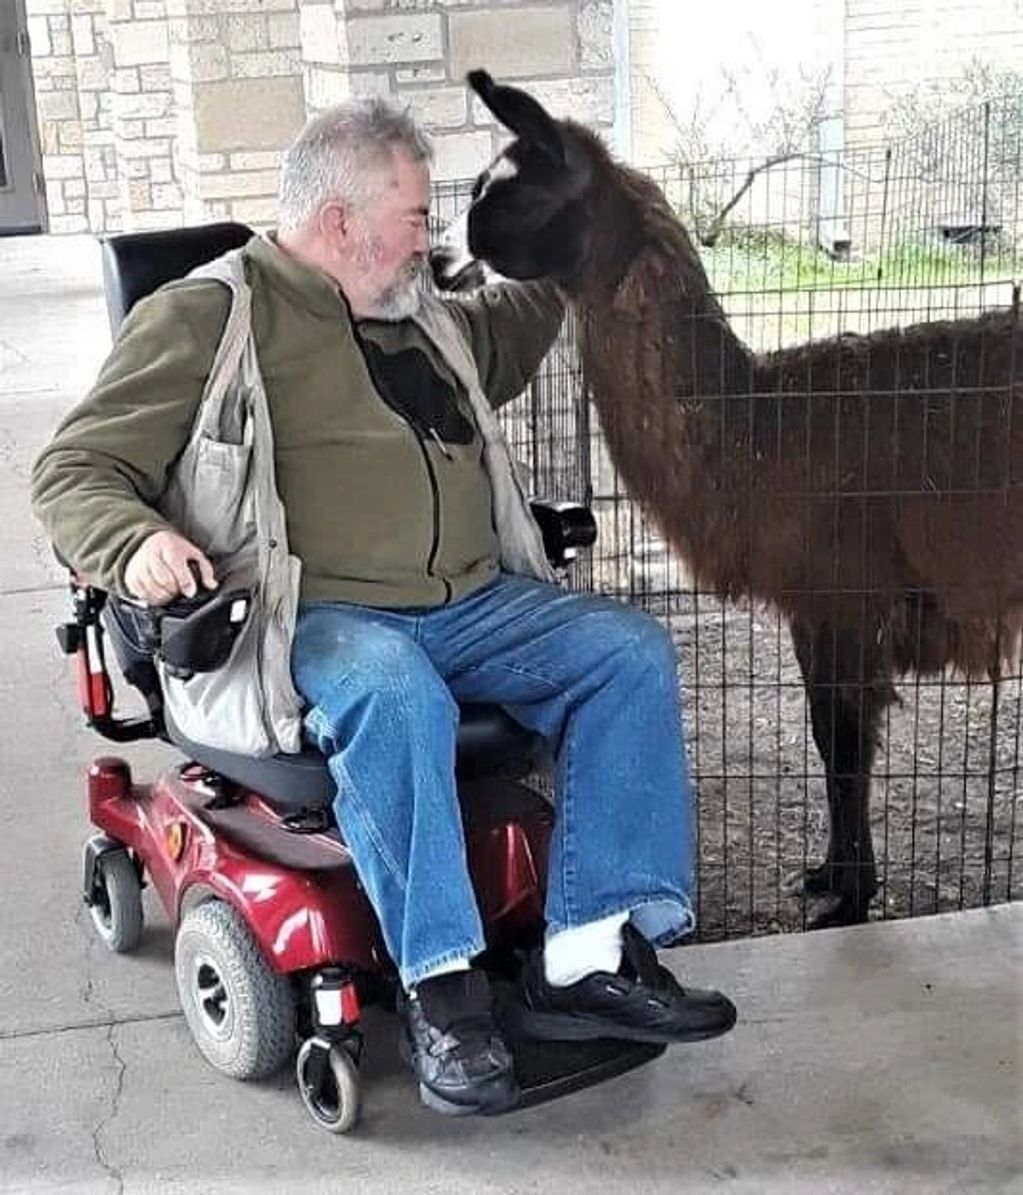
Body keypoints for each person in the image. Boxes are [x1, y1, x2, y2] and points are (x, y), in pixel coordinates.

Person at [31, 99, 736, 1117]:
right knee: (395, 689)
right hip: (310, 622)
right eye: (411, 213)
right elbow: (75, 468)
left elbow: (506, 331)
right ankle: (441, 988)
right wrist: (137, 541)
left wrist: (575, 236)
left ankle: (581, 959)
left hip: (470, 603)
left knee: (626, 652)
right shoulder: (212, 318)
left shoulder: (418, 305)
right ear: (338, 221)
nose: (429, 232)